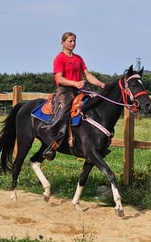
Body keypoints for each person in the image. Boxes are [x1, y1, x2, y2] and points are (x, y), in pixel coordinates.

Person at [43, 32, 106, 160]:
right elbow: (59, 78)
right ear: (63, 42)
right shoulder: (59, 58)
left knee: (95, 103)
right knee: (64, 109)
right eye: (70, 41)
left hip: (79, 89)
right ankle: (54, 142)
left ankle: (95, 140)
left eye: (74, 41)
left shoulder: (78, 58)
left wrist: (101, 84)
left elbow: (87, 75)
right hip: (65, 90)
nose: (72, 43)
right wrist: (75, 83)